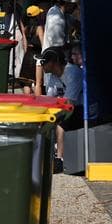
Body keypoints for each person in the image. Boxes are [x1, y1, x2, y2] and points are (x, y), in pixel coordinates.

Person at [39, 45, 84, 174]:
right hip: (67, 107)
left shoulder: (73, 73)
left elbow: (70, 102)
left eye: (44, 62)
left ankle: (60, 159)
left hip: (81, 108)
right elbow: (49, 100)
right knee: (45, 119)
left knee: (61, 123)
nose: (41, 65)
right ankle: (47, 153)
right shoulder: (53, 76)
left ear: (54, 62)